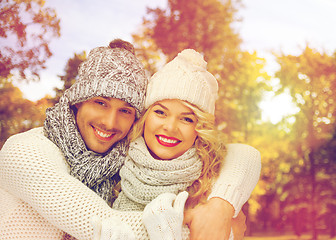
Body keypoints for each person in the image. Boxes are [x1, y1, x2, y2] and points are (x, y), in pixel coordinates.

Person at [0, 39, 260, 239]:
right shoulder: (25, 150)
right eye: (100, 102)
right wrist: (219, 229)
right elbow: (104, 226)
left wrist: (221, 206)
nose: (110, 122)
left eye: (125, 110)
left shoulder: (117, 159)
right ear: (76, 102)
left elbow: (243, 154)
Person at [109, 49, 261, 240]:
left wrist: (220, 206)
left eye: (187, 119)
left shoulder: (211, 181)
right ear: (145, 117)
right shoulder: (115, 159)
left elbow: (247, 154)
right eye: (160, 112)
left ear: (200, 128)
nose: (170, 127)